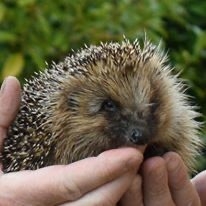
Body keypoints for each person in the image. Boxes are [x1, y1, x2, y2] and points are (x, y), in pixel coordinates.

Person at [0, 76, 205, 206]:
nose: (139, 132)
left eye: (150, 104)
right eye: (109, 107)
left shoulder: (171, 123)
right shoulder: (56, 142)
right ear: (71, 106)